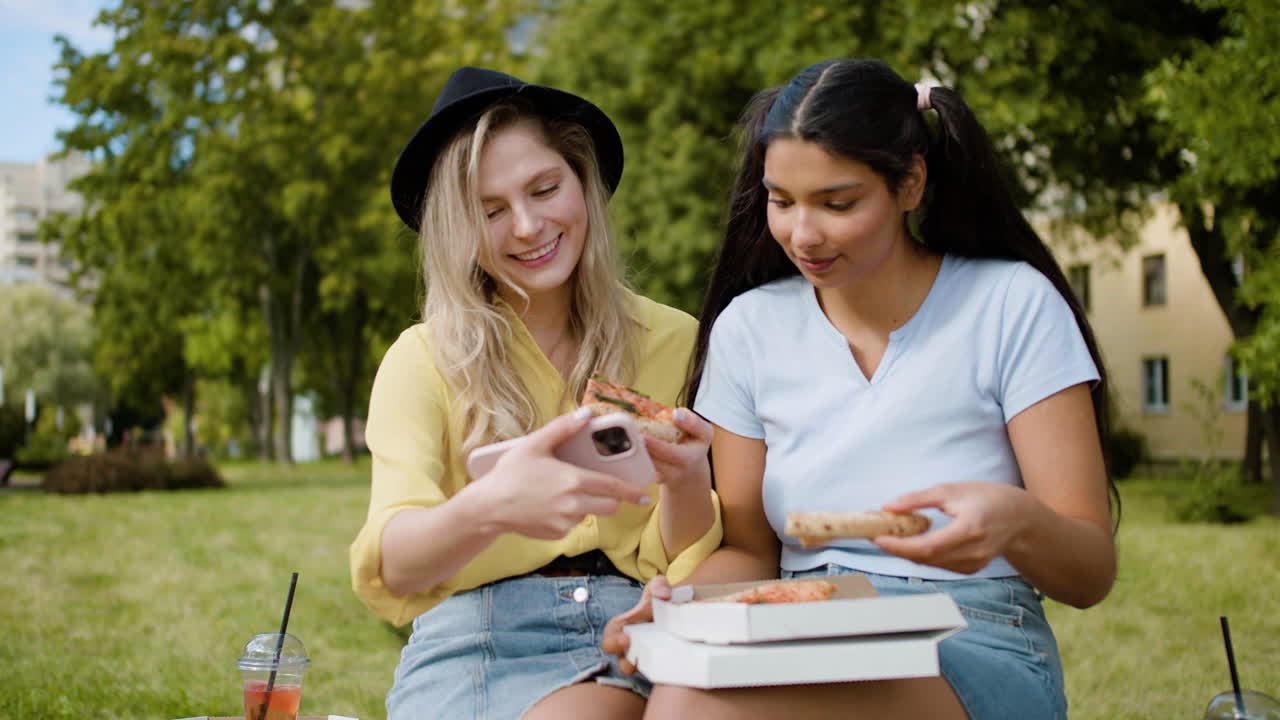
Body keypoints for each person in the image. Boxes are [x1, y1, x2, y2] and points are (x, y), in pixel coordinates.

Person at [605, 58, 1117, 719]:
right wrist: (681, 604)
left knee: (695, 708)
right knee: (682, 695)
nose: (802, 235)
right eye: (781, 202)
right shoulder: (750, 328)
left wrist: (1014, 523)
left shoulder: (1011, 305)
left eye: (837, 203)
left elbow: (1090, 574)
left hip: (971, 636)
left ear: (910, 184)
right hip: (800, 622)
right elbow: (751, 552)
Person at [349, 66, 722, 720]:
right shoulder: (422, 360)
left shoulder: (675, 341)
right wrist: (488, 507)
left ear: (582, 180)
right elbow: (394, 565)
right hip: (474, 639)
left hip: (633, 628)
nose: (527, 226)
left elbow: (687, 556)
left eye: (545, 188)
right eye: (489, 211)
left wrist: (689, 482)